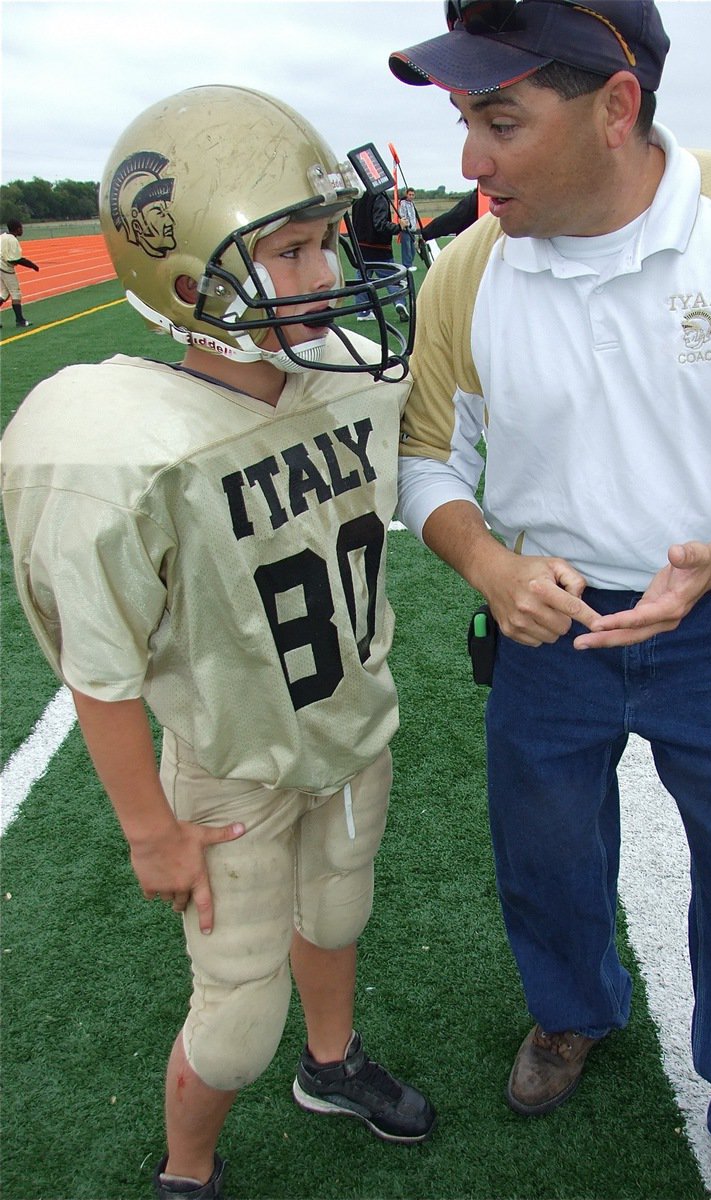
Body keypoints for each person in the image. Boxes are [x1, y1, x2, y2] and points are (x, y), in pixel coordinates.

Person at [388, 4, 711, 1199]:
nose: (469, 161)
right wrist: (489, 567)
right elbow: (423, 461)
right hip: (542, 623)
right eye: (467, 120)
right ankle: (570, 1010)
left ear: (617, 107)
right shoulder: (467, 268)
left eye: (500, 120)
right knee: (547, 857)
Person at [1, 84, 432, 1200]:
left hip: (346, 717)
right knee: (236, 1016)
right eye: (288, 250)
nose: (328, 272)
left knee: (340, 907)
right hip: (231, 755)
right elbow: (98, 673)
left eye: (324, 238)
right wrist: (149, 831)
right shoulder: (118, 444)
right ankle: (187, 1171)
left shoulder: (346, 370)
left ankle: (332, 1066)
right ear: (189, 282)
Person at [348, 188, 410, 321]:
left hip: (360, 246)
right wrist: (399, 227)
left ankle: (363, 312)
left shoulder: (358, 197)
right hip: (379, 247)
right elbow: (380, 225)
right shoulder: (379, 197)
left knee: (362, 280)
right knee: (392, 278)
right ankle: (399, 302)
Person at [0, 218, 39, 327]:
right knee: (15, 293)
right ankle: (20, 320)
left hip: (0, 266)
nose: (22, 230)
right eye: (21, 228)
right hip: (5, 268)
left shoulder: (2, 236)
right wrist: (32, 265)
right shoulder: (12, 240)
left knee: (4, 294)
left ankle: (19, 320)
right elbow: (15, 259)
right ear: (17, 229)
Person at [398, 187, 421, 269]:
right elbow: (402, 215)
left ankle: (410, 263)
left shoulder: (412, 204)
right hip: (406, 230)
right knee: (406, 248)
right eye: (410, 194)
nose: (411, 196)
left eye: (413, 195)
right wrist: (407, 225)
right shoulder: (403, 204)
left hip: (413, 230)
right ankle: (407, 265)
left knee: (412, 248)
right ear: (406, 195)